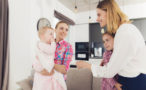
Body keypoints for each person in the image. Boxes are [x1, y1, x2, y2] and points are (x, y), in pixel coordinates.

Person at [76, 0, 146, 90]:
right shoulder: (123, 30)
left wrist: (87, 66)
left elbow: (109, 71)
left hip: (134, 82)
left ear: (109, 12)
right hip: (128, 80)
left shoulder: (125, 32)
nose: (97, 19)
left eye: (99, 14)